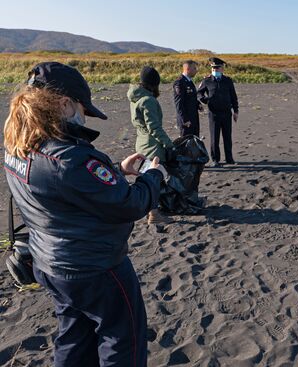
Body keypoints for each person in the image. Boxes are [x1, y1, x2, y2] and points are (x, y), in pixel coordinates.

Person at [3, 61, 168, 366]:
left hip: (49, 263)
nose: (84, 116)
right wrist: (152, 177)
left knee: (74, 336)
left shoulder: (18, 146)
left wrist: (117, 170)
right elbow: (129, 205)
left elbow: (56, 191)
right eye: (82, 108)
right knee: (123, 341)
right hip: (94, 268)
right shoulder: (71, 157)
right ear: (65, 104)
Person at [128, 66, 174, 223]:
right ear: (155, 84)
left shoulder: (135, 99)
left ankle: (151, 210)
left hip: (141, 142)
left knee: (146, 177)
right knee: (153, 178)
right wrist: (169, 144)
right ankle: (154, 214)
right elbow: (154, 128)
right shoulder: (148, 100)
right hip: (152, 145)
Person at [197, 57, 239, 167]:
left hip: (226, 113)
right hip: (213, 114)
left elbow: (233, 97)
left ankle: (229, 159)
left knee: (227, 137)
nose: (215, 70)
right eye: (213, 68)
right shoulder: (206, 80)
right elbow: (199, 93)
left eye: (217, 68)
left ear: (222, 69)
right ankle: (215, 159)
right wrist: (204, 100)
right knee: (214, 138)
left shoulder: (228, 81)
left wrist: (236, 111)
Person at [173, 60, 201, 137]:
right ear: (188, 69)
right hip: (186, 121)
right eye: (194, 68)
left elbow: (191, 98)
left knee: (194, 143)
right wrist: (184, 119)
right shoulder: (179, 82)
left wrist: (198, 105)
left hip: (194, 118)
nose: (196, 70)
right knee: (186, 144)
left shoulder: (189, 82)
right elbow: (179, 103)